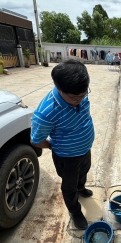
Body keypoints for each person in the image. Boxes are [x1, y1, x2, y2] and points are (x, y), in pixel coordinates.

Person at [31, 60, 94, 230]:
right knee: (69, 187)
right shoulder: (47, 112)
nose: (80, 100)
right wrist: (52, 146)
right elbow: (36, 140)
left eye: (84, 95)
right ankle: (75, 211)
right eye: (75, 98)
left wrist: (79, 97)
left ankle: (81, 187)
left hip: (85, 149)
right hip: (67, 158)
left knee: (84, 172)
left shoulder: (79, 95)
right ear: (60, 89)